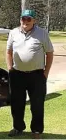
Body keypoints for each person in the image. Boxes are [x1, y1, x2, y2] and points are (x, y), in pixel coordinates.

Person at [6, 9, 54, 139]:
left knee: (37, 104)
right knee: (17, 104)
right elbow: (9, 52)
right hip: (17, 74)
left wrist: (46, 73)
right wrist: (10, 69)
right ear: (20, 20)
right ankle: (18, 127)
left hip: (37, 75)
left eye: (28, 19)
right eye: (23, 19)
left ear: (34, 21)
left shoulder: (42, 34)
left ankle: (36, 130)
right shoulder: (13, 33)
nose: (25, 21)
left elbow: (49, 53)